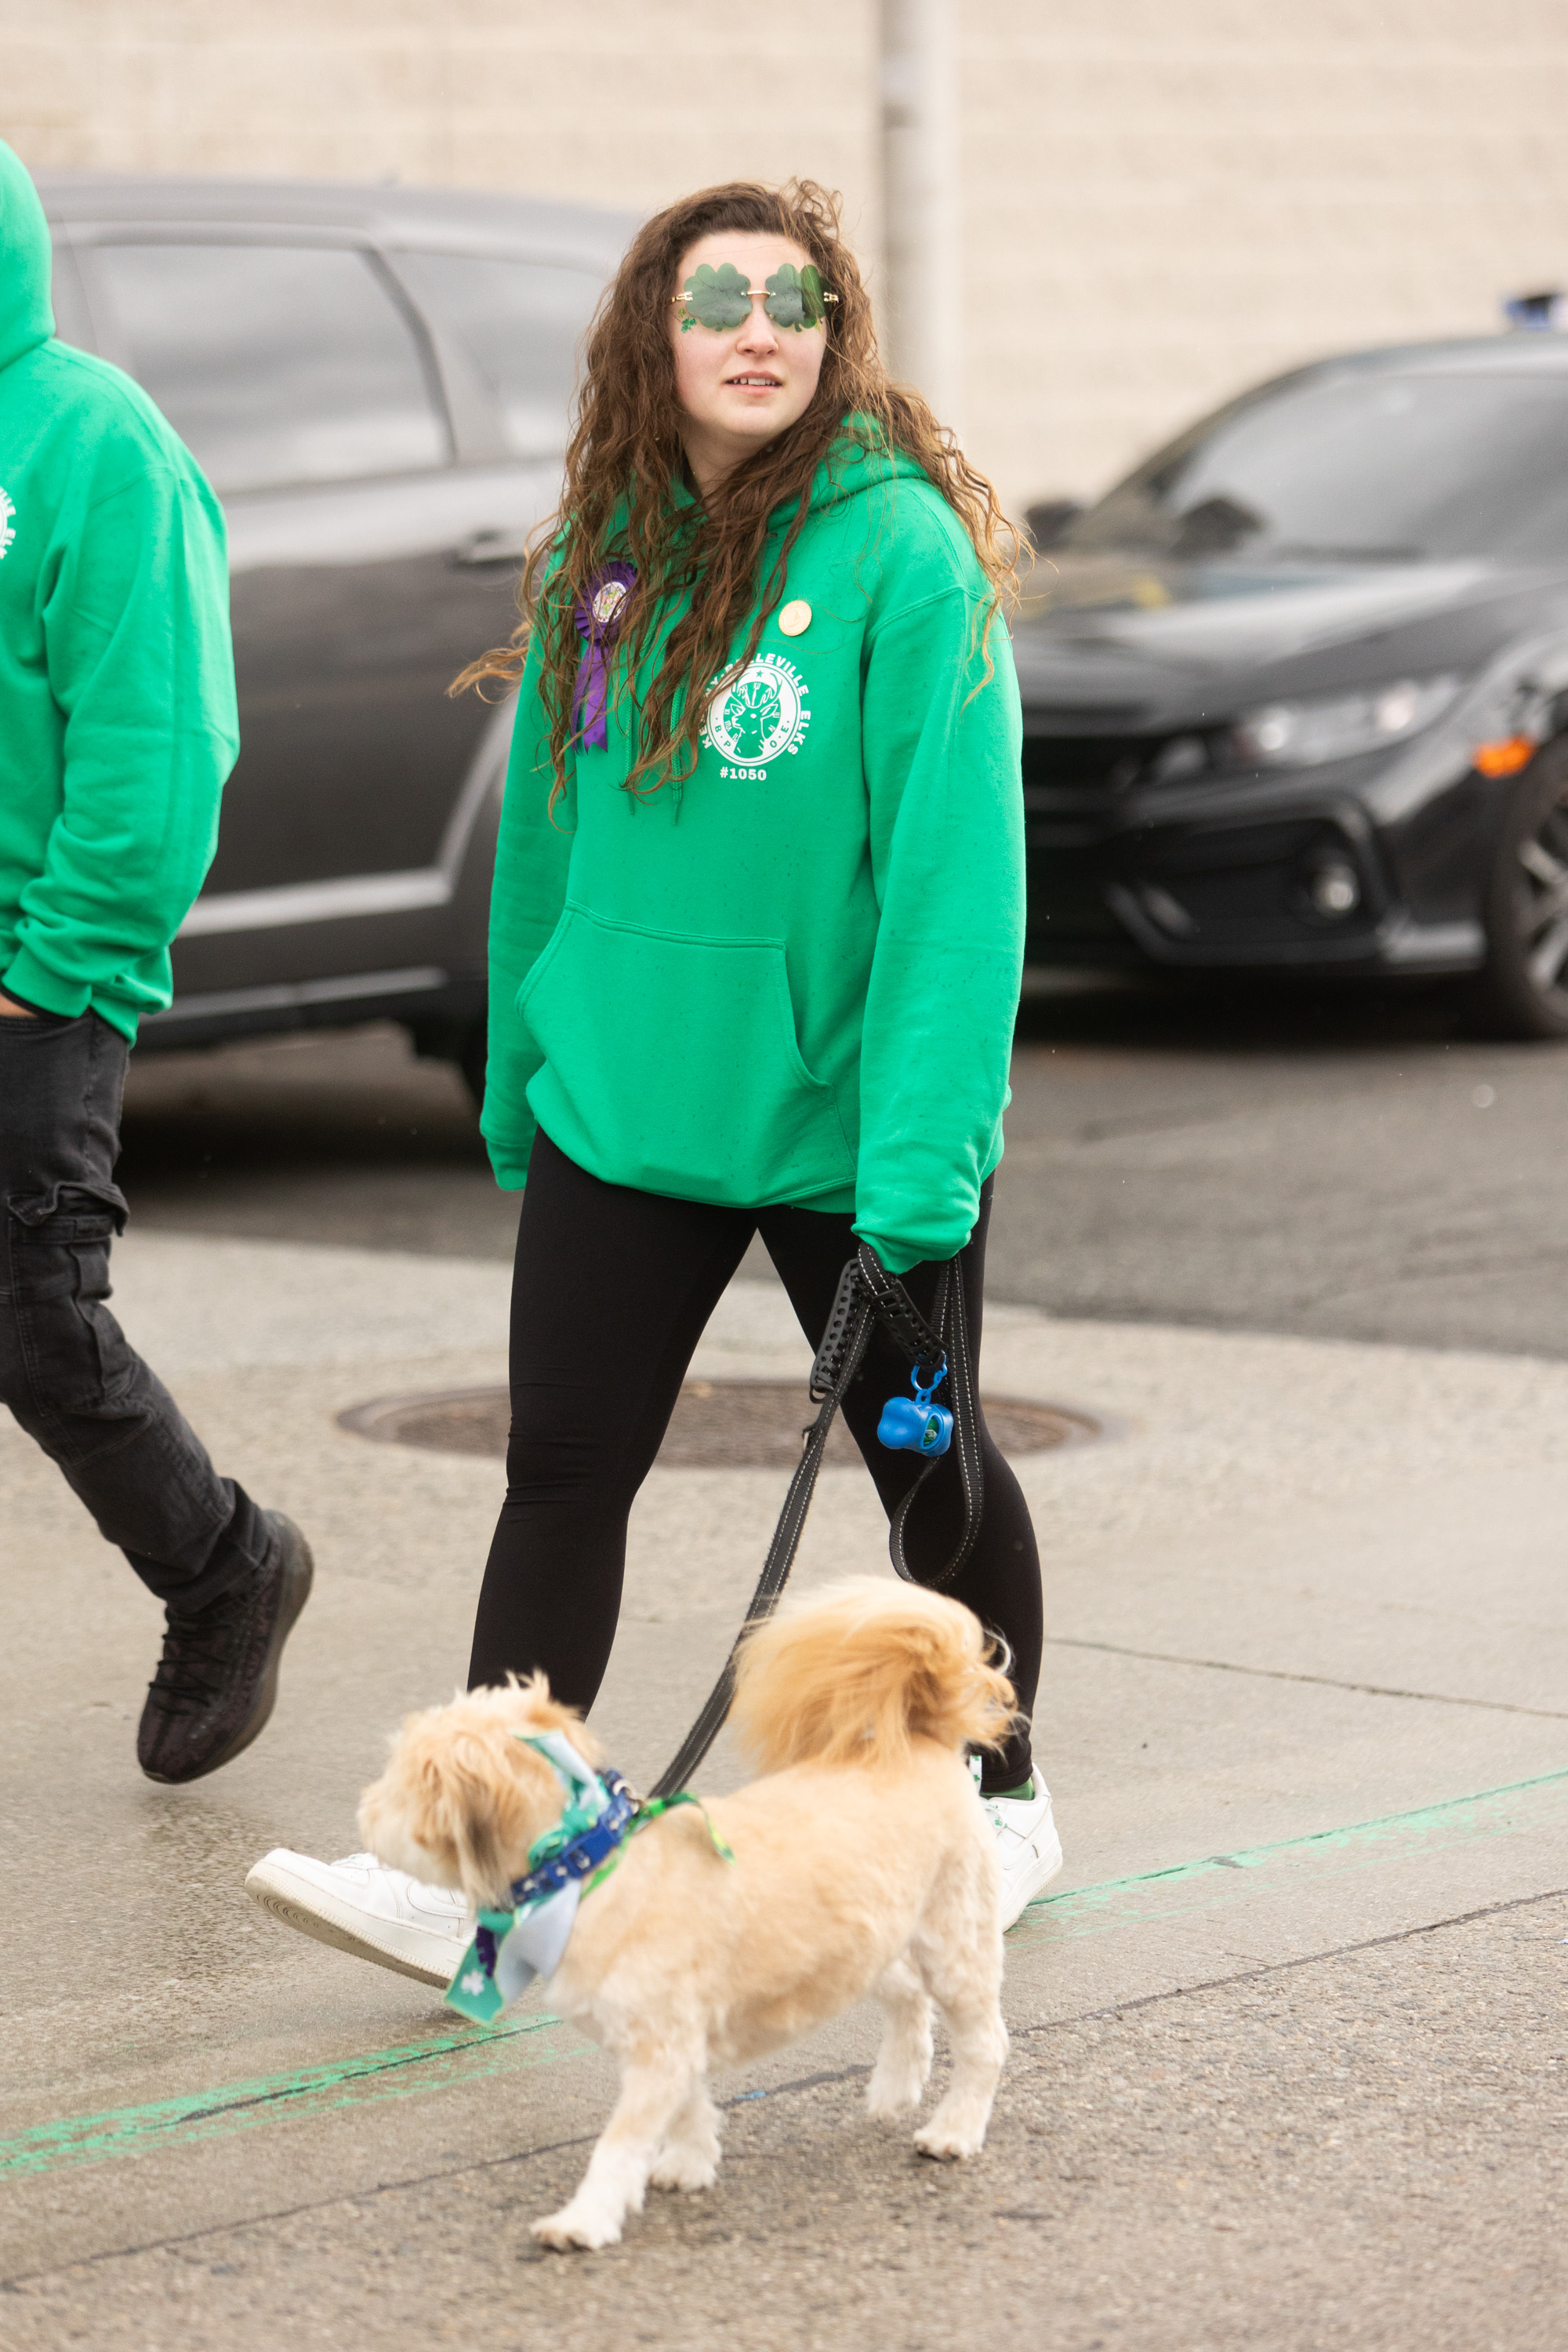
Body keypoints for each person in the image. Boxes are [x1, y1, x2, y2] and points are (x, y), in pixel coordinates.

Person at [247, 176, 1058, 1976]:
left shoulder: (900, 552)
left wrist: (924, 1149)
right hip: (627, 1110)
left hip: (853, 1130)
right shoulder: (603, 557)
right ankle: (500, 1879)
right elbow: (548, 832)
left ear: (835, 336)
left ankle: (1004, 1806)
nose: (759, 329)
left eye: (794, 301)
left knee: (926, 1474)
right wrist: (524, 1062)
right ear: (656, 340)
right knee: (562, 1474)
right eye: (718, 303)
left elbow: (956, 883)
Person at [0, 142, 313, 1782]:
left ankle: (223, 1569)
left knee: (35, 1323)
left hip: (28, 977)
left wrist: (55, 970)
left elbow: (158, 742)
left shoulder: (91, 440)